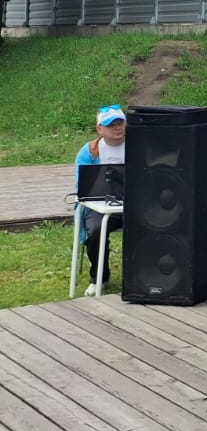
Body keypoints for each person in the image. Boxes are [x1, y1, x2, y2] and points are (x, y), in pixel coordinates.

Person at [73, 104, 128, 295]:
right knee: (96, 230)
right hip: (99, 207)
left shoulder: (139, 146)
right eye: (110, 124)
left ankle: (139, 275)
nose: (117, 127)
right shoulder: (89, 152)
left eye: (120, 122)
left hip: (134, 205)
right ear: (99, 129)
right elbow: (82, 188)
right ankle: (99, 277)